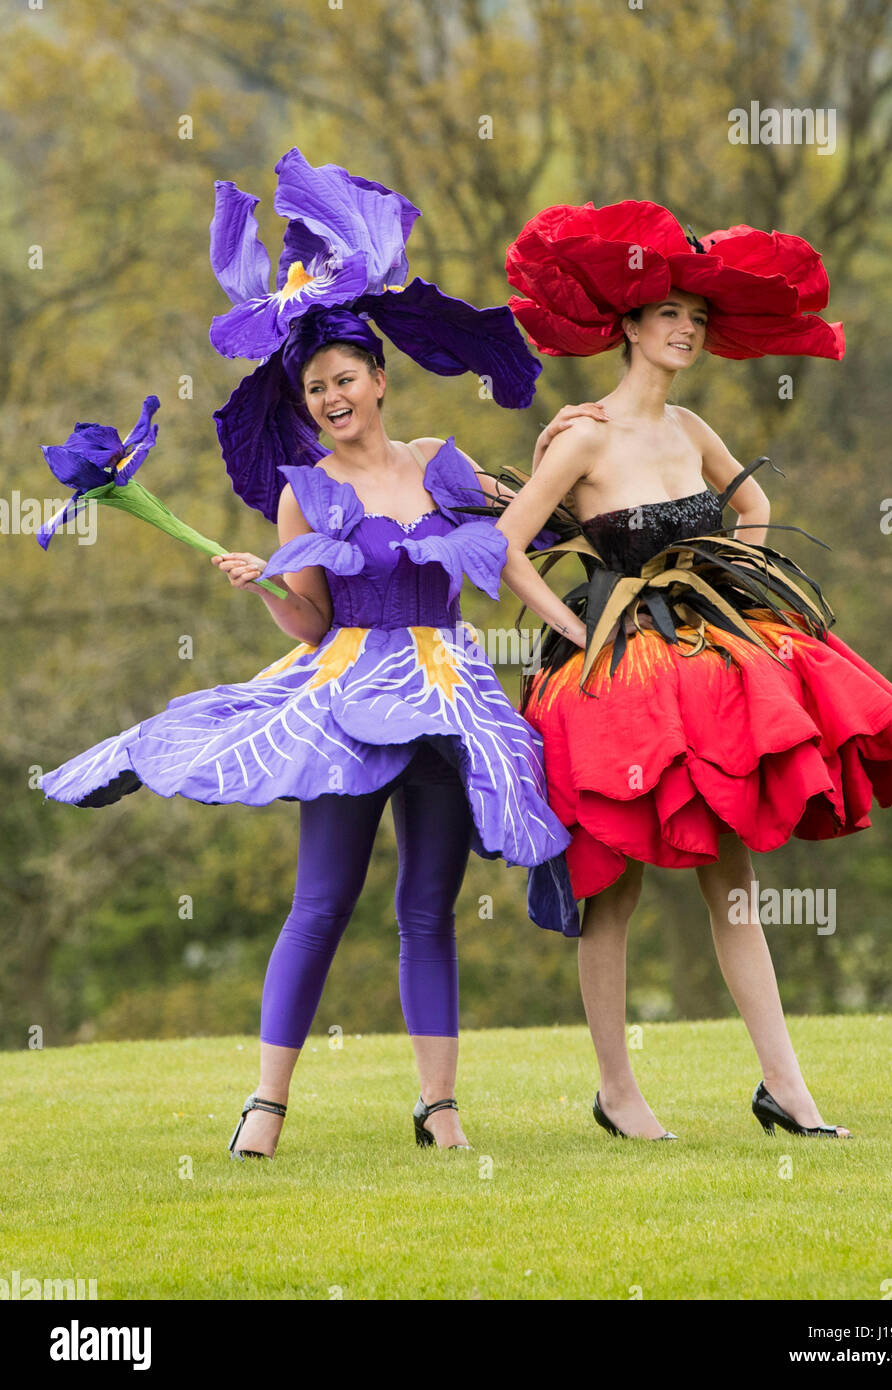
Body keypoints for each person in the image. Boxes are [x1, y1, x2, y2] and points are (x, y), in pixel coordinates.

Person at [37, 155, 574, 1157]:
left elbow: (520, 532)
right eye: (315, 386)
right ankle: (266, 1104)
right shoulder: (305, 490)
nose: (331, 396)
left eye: (345, 379)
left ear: (379, 378)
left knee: (428, 909)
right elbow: (310, 623)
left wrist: (566, 452)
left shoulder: (440, 462)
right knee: (321, 902)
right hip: (345, 703)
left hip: (449, 698)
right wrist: (265, 581)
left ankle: (440, 1108)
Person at [492, 198, 892, 1142]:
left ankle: (787, 1091)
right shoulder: (583, 436)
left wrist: (737, 587)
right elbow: (505, 546)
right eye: (668, 315)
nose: (685, 329)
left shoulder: (689, 429)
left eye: (696, 318)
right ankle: (618, 1093)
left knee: (733, 880)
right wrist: (575, 625)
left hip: (705, 673)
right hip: (610, 686)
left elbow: (752, 506)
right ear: (630, 325)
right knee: (612, 886)